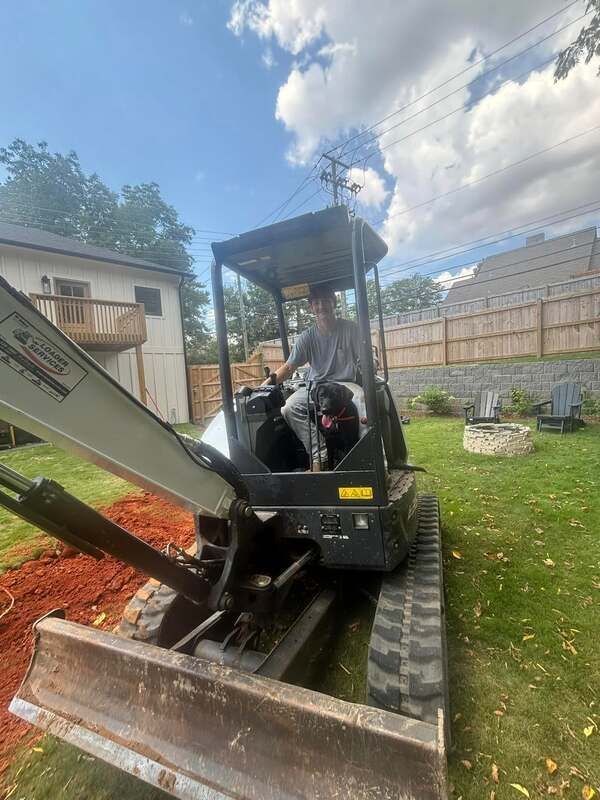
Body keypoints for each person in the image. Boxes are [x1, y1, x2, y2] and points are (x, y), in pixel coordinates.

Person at [263, 284, 366, 470]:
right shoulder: (306, 338)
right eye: (316, 303)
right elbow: (288, 367)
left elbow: (366, 358)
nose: (321, 306)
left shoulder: (351, 329)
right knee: (289, 408)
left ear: (333, 303)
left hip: (345, 384)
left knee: (362, 399)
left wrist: (371, 364)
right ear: (311, 307)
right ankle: (320, 455)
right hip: (317, 387)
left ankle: (372, 458)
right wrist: (264, 385)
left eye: (325, 301)